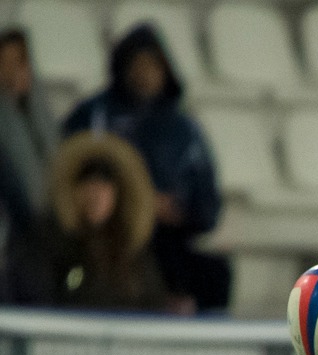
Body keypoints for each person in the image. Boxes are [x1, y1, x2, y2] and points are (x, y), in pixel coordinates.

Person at [62, 24, 228, 312]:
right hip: (105, 235)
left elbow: (207, 207)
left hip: (165, 239)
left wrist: (179, 212)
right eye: (137, 64)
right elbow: (68, 174)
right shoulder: (93, 116)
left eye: (152, 65)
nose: (144, 74)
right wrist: (137, 202)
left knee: (214, 275)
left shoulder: (184, 131)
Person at [5, 131, 168, 311]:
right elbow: (35, 298)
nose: (96, 195)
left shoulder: (132, 250)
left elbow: (153, 304)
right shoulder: (47, 240)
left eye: (104, 186)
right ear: (71, 191)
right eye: (87, 185)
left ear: (119, 195)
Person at [0, 28, 60, 251]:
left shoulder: (41, 111)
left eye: (19, 61)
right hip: (18, 231)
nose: (13, 70)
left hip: (53, 223)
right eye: (5, 62)